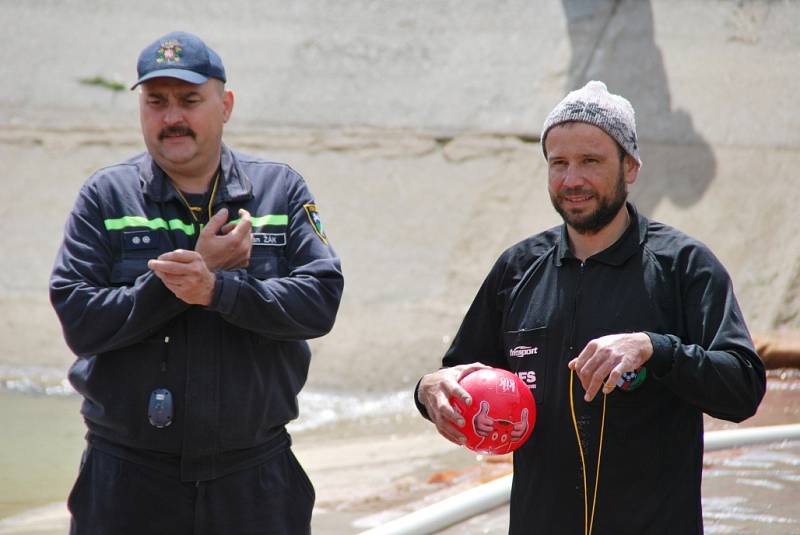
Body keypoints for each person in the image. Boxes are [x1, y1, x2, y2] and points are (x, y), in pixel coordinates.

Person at [415, 81, 765, 534]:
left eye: (590, 161)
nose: (571, 179)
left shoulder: (683, 266)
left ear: (631, 167)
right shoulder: (517, 269)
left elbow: (743, 388)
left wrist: (656, 350)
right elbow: (461, 377)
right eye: (558, 163)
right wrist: (427, 390)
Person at [50, 31, 343, 534]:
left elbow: (320, 302)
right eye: (155, 102)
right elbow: (80, 321)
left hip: (254, 481)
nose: (171, 118)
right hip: (127, 481)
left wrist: (219, 290)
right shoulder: (106, 197)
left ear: (224, 105)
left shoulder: (279, 190)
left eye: (189, 100)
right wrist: (175, 287)